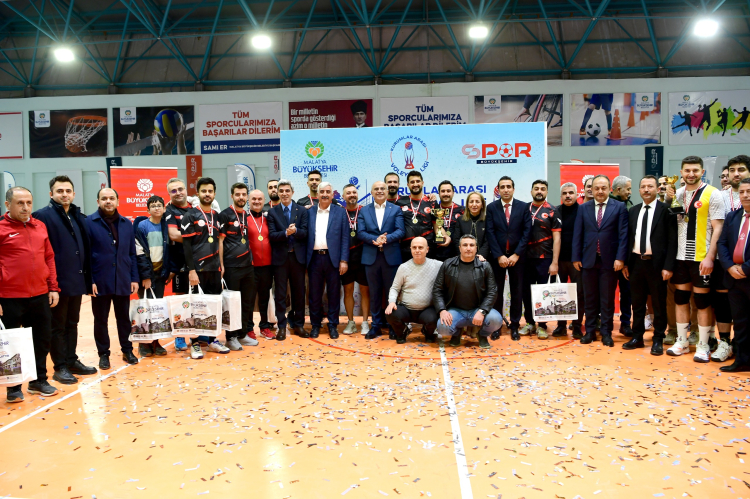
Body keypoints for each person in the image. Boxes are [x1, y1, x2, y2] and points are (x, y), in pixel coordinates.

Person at [32, 176, 97, 385]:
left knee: (72, 323)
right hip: (56, 283)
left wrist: (88, 279)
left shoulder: (77, 215)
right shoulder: (42, 216)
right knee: (57, 326)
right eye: (60, 191)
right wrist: (50, 284)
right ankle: (59, 366)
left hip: (76, 280)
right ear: (51, 194)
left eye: (68, 191)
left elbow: (85, 248)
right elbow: (40, 252)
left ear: (74, 194)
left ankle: (71, 360)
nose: (64, 194)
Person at [1, 187, 60, 402]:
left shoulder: (40, 226)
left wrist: (53, 287)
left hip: (39, 295)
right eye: (20, 203)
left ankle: (38, 380)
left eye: (28, 203)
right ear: (8, 205)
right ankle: (13, 387)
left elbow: (49, 257)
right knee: (12, 343)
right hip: (9, 297)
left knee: (42, 339)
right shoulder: (1, 229)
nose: (25, 207)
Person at [664, 156, 725, 362]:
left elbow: (718, 227)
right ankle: (682, 341)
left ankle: (703, 344)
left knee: (702, 301)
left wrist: (710, 257)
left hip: (702, 257)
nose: (691, 174)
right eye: (687, 170)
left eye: (695, 170)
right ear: (681, 173)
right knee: (681, 299)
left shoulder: (713, 193)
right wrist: (667, 199)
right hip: (680, 257)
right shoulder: (678, 193)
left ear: (702, 172)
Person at [622, 176, 677, 355]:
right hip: (636, 262)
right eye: (643, 186)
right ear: (639, 190)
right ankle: (637, 337)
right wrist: (626, 263)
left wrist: (668, 266)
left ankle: (658, 338)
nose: (646, 189)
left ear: (657, 189)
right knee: (637, 303)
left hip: (657, 264)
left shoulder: (666, 210)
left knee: (659, 303)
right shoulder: (633, 210)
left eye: (650, 186)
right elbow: (628, 238)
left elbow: (672, 240)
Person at [85, 188, 140, 369]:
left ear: (117, 201)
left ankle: (127, 350)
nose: (108, 201)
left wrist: (134, 278)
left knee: (123, 318)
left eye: (111, 198)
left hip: (122, 278)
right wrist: (90, 280)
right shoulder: (89, 223)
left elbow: (132, 253)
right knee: (100, 319)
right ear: (98, 201)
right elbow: (86, 256)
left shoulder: (126, 223)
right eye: (104, 198)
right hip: (100, 280)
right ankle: (103, 354)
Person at [572, 174, 629, 347]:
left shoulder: (619, 207)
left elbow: (623, 235)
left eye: (603, 188)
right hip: (588, 260)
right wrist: (576, 257)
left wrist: (620, 258)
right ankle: (589, 331)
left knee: (607, 299)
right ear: (591, 189)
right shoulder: (583, 208)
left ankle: (606, 332)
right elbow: (578, 233)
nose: (600, 191)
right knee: (589, 298)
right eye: (596, 188)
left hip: (610, 261)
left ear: (609, 189)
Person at [179, 177, 231, 358]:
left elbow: (219, 242)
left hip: (214, 269)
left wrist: (221, 265)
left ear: (214, 194)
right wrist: (191, 270)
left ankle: (212, 340)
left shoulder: (217, 216)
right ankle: (195, 344)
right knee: (196, 308)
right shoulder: (190, 215)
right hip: (198, 270)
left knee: (213, 307)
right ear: (198, 193)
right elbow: (186, 246)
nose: (207, 194)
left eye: (210, 191)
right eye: (203, 191)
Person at [434, 235, 503, 349]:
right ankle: (457, 333)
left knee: (496, 320)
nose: (468, 248)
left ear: (476, 248)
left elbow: (492, 291)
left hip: (478, 310)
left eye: (471, 245)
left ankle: (482, 335)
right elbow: (437, 289)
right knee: (443, 328)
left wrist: (482, 311)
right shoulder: (448, 264)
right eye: (465, 245)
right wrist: (442, 310)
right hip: (455, 310)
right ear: (460, 248)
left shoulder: (485, 266)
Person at [712, 155, 750, 361]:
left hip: (747, 267)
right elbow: (720, 237)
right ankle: (729, 346)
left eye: (741, 170)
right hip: (726, 265)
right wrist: (728, 265)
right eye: (732, 170)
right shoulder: (720, 197)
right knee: (727, 306)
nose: (736, 174)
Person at [485, 176, 532, 341]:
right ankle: (496, 326)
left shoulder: (523, 207)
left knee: (517, 292)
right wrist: (499, 255)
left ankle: (515, 325)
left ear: (513, 189)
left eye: (508, 186)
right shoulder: (491, 208)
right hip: (497, 258)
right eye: (502, 187)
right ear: (498, 189)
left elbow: (527, 232)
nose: (506, 189)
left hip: (518, 258)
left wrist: (516, 254)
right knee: (497, 292)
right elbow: (490, 232)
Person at [357, 181, 405, 339]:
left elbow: (400, 231)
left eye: (382, 188)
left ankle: (392, 325)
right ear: (371, 192)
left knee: (392, 293)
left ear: (387, 191)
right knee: (374, 293)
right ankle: (376, 326)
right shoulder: (364, 210)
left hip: (391, 257)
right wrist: (375, 240)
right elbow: (360, 232)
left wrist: (386, 239)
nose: (379, 191)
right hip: (371, 257)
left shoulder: (395, 209)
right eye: (376, 189)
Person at [306, 182, 349, 339]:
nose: (324, 194)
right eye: (322, 191)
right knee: (314, 294)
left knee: (334, 293)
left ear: (332, 195)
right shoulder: (309, 212)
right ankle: (315, 325)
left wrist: (344, 260)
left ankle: (333, 325)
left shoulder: (340, 212)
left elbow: (345, 238)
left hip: (333, 259)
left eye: (328, 192)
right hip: (314, 258)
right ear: (317, 194)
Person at [267, 179, 309, 340]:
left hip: (298, 258)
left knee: (299, 293)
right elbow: (272, 235)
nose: (284, 193)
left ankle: (298, 324)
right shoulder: (272, 212)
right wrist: (286, 233)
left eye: (287, 190)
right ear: (278, 193)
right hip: (280, 259)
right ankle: (281, 326)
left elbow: (305, 233)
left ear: (292, 192)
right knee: (280, 294)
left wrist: (296, 231)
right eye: (281, 191)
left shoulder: (301, 210)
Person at [219, 183, 258, 351]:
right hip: (231, 266)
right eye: (237, 194)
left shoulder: (247, 215)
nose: (241, 197)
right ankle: (231, 337)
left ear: (247, 196)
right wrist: (221, 265)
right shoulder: (225, 215)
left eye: (243, 194)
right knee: (232, 304)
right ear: (232, 196)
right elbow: (220, 241)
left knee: (246, 303)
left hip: (248, 266)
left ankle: (242, 335)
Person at [521, 180, 561, 339]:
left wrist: (555, 262)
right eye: (536, 188)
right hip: (525, 258)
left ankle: (542, 326)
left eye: (543, 189)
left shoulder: (553, 210)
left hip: (545, 258)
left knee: (544, 294)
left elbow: (557, 238)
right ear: (531, 191)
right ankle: (529, 323)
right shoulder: (524, 209)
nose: (539, 191)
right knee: (527, 292)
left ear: (547, 192)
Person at [133, 195, 171, 357]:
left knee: (157, 310)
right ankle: (143, 344)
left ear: (164, 208)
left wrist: (168, 271)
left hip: (160, 274)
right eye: (153, 206)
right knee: (145, 310)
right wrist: (146, 276)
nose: (157, 208)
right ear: (148, 210)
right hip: (147, 275)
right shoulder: (142, 226)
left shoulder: (166, 225)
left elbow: (169, 251)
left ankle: (156, 342)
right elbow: (139, 253)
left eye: (159, 205)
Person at [385, 237, 441, 344]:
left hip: (427, 310)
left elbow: (453, 265)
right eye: (414, 248)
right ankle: (403, 331)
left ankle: (428, 332)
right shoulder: (403, 267)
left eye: (420, 247)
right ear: (410, 249)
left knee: (435, 317)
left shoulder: (437, 265)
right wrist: (391, 302)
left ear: (427, 249)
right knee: (390, 313)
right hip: (406, 309)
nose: (417, 250)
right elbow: (395, 288)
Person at [164, 178, 192, 352]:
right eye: (173, 191)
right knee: (181, 301)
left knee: (199, 299)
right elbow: (174, 235)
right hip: (179, 263)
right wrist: (198, 238)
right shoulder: (169, 210)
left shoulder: (195, 208)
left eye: (180, 189)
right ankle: (180, 336)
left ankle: (200, 336)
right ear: (169, 194)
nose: (178, 193)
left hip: (198, 261)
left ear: (186, 190)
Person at [554, 182, 585, 339]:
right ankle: (561, 326)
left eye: (571, 193)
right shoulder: (555, 211)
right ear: (561, 196)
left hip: (577, 261)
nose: (568, 195)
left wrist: (579, 257)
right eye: (565, 193)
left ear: (576, 195)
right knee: (559, 294)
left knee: (578, 294)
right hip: (558, 261)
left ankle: (577, 326)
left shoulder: (583, 211)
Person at [340, 184, 371, 336]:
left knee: (365, 291)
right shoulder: (340, 212)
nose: (352, 195)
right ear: (343, 196)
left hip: (363, 257)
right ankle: (351, 322)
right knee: (348, 291)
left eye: (354, 192)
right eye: (348, 193)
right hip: (346, 258)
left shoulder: (365, 211)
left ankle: (365, 322)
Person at [246, 190, 276, 340]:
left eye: (259, 199)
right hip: (251, 266)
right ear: (248, 201)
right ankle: (249, 328)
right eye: (253, 199)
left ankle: (264, 326)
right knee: (250, 299)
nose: (257, 201)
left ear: (264, 201)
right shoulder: (244, 219)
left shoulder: (269, 219)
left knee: (264, 298)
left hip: (267, 266)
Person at [395, 171, 437, 262]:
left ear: (422, 183)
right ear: (408, 185)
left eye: (418, 181)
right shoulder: (400, 202)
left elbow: (436, 225)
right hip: (407, 248)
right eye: (412, 182)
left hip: (427, 248)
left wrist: (444, 236)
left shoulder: (431, 202)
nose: (415, 184)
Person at [610, 175, 634, 337]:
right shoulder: (607, 205)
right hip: (609, 257)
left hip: (627, 258)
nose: (630, 192)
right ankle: (605, 322)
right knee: (607, 292)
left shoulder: (629, 204)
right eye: (628, 189)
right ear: (618, 189)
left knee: (627, 292)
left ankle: (625, 323)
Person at [451, 192, 490, 261]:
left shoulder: (488, 220)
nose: (474, 204)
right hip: (464, 258)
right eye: (471, 202)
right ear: (467, 205)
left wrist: (480, 255)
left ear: (482, 205)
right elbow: (457, 240)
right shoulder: (460, 220)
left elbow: (488, 241)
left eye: (477, 202)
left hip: (482, 258)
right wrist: (464, 255)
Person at [431, 181, 464, 262]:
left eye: (448, 191)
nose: (446, 194)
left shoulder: (462, 210)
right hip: (436, 254)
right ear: (438, 193)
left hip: (456, 253)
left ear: (453, 193)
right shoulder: (434, 209)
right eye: (443, 191)